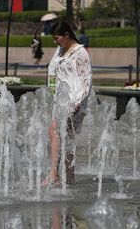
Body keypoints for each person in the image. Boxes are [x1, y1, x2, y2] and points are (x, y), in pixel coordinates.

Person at [43, 21, 92, 187]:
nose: (55, 41)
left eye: (57, 38)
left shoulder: (80, 53)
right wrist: (52, 92)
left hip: (74, 101)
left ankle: (54, 174)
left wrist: (77, 103)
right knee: (66, 137)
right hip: (61, 99)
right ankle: (70, 177)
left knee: (55, 130)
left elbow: (86, 81)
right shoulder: (60, 50)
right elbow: (52, 70)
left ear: (66, 35)